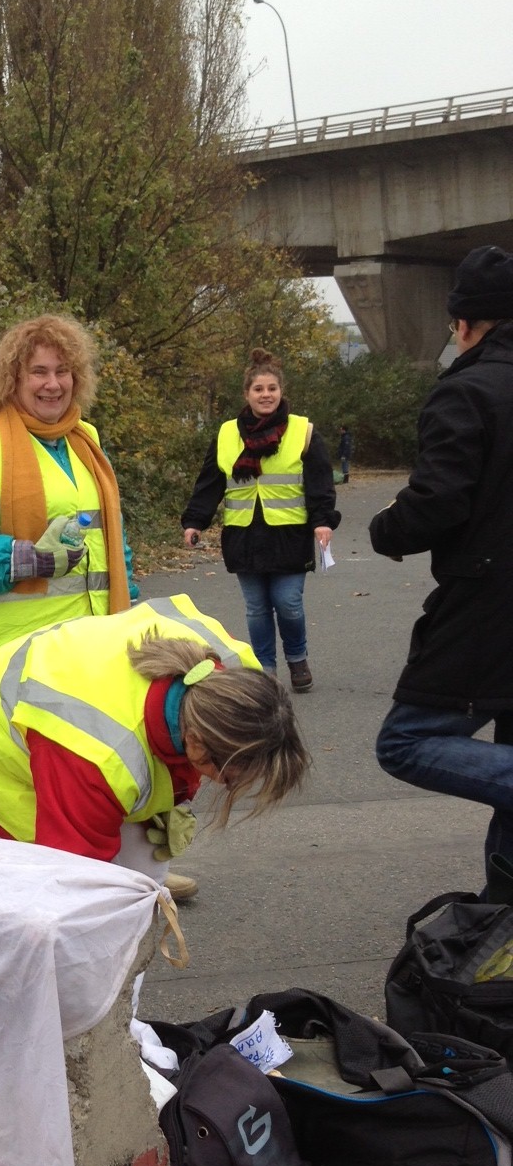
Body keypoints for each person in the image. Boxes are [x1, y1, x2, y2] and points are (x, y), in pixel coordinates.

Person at [0, 595, 308, 872]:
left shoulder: (239, 677)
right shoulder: (96, 753)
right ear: (196, 742)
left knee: (139, 885)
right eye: (230, 775)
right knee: (59, 892)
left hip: (82, 712)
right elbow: (73, 880)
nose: (231, 786)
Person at [370, 244, 513, 895]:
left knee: (405, 742)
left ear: (463, 324)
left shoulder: (467, 392)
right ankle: (502, 914)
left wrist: (386, 528)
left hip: (489, 602)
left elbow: (438, 502)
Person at [0, 314, 139, 669]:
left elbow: (111, 537)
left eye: (63, 371)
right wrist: (25, 558)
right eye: (39, 372)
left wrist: (130, 599)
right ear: (12, 379)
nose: (53, 384)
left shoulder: (87, 442)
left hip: (96, 645)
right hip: (16, 653)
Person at [181, 347, 339, 692]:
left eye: (272, 389)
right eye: (258, 389)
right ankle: (265, 670)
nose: (265, 395)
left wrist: (323, 521)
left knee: (288, 603)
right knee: (256, 609)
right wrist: (195, 521)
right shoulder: (226, 434)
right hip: (244, 537)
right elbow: (209, 483)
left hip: (289, 536)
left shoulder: (303, 432)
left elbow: (320, 483)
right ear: (247, 394)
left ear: (281, 392)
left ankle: (297, 657)